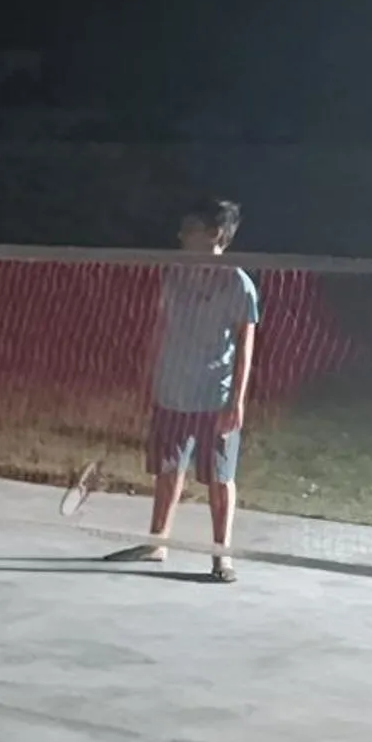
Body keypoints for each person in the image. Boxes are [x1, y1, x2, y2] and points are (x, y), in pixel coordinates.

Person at [110, 199, 258, 583]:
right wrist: (147, 378)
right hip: (171, 390)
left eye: (189, 228)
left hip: (215, 395)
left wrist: (237, 401)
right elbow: (160, 327)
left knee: (219, 478)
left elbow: (245, 346)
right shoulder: (173, 273)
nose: (180, 235)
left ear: (215, 235)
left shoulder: (239, 284)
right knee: (167, 469)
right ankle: (157, 542)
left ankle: (220, 555)